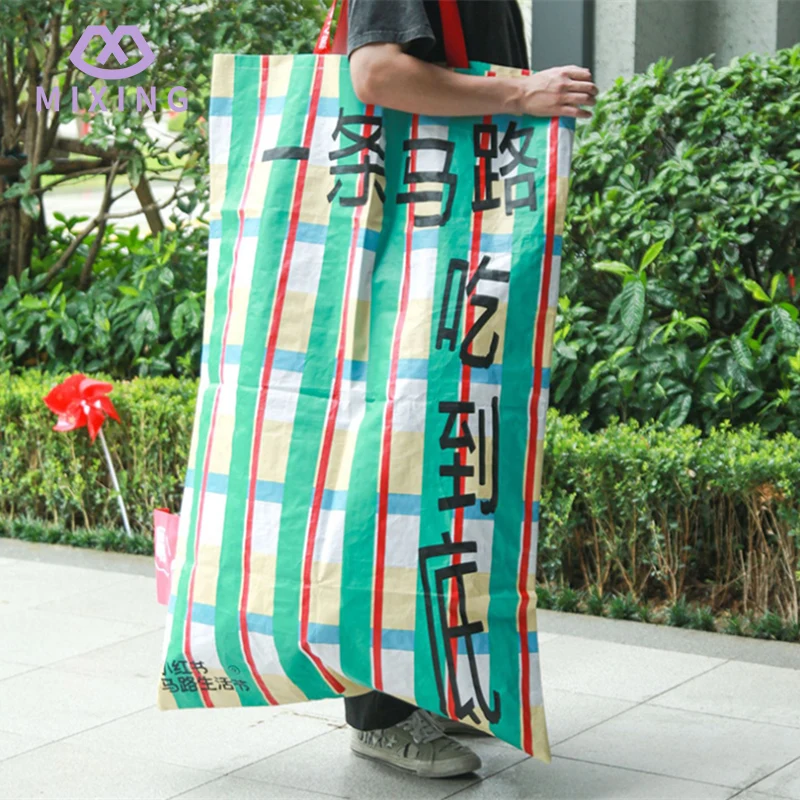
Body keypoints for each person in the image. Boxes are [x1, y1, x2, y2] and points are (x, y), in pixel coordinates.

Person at [343, 0, 598, 780]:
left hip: (457, 235)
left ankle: (427, 685)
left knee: (455, 462)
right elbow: (375, 72)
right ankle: (381, 713)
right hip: (418, 244)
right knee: (400, 457)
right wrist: (522, 93)